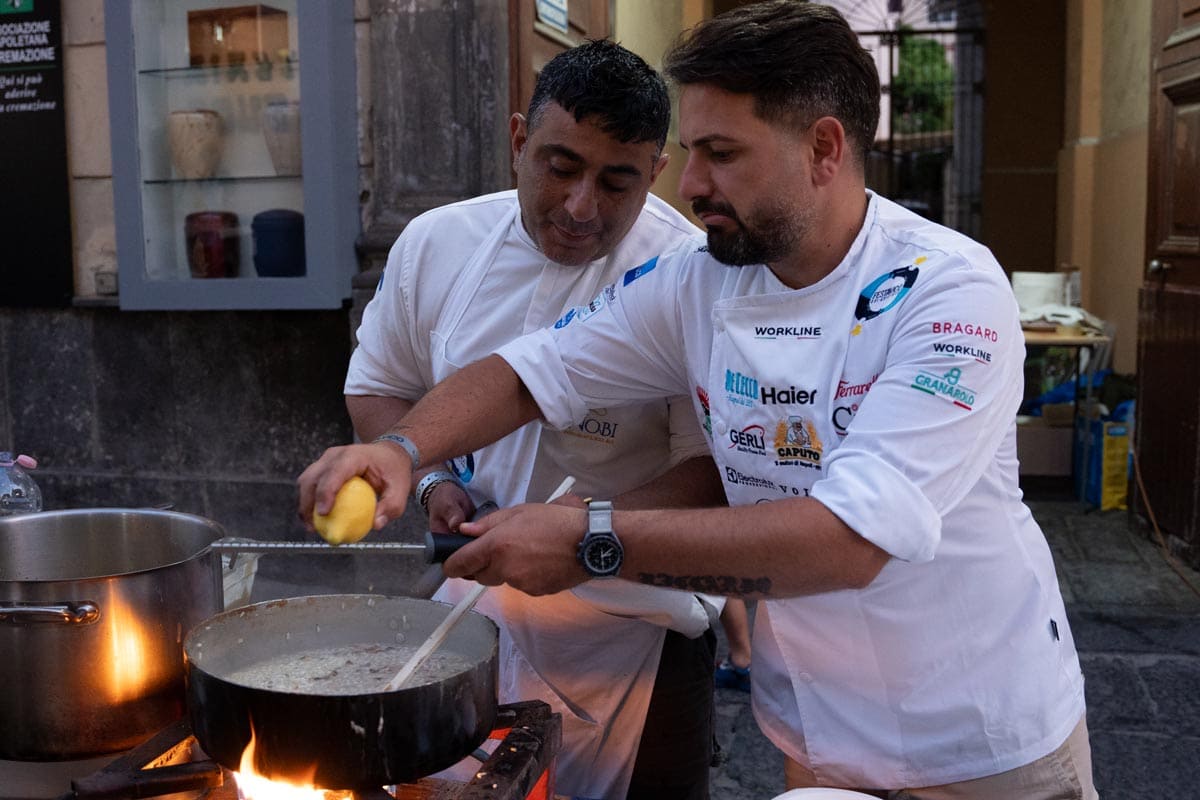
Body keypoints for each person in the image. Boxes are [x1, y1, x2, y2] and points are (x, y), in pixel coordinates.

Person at [300, 4, 1097, 798]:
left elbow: (851, 540)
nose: (689, 184)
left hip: (980, 741)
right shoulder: (701, 279)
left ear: (823, 148)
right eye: (690, 153)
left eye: (720, 154)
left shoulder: (948, 291)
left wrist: (588, 538)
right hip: (813, 730)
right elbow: (534, 371)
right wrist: (402, 450)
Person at [342, 39, 725, 800]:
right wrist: (427, 481)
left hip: (641, 623)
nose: (582, 207)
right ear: (519, 139)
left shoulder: (696, 275)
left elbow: (713, 471)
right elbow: (379, 388)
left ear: (656, 173)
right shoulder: (437, 244)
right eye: (559, 167)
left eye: (618, 181)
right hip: (471, 617)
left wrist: (587, 531)